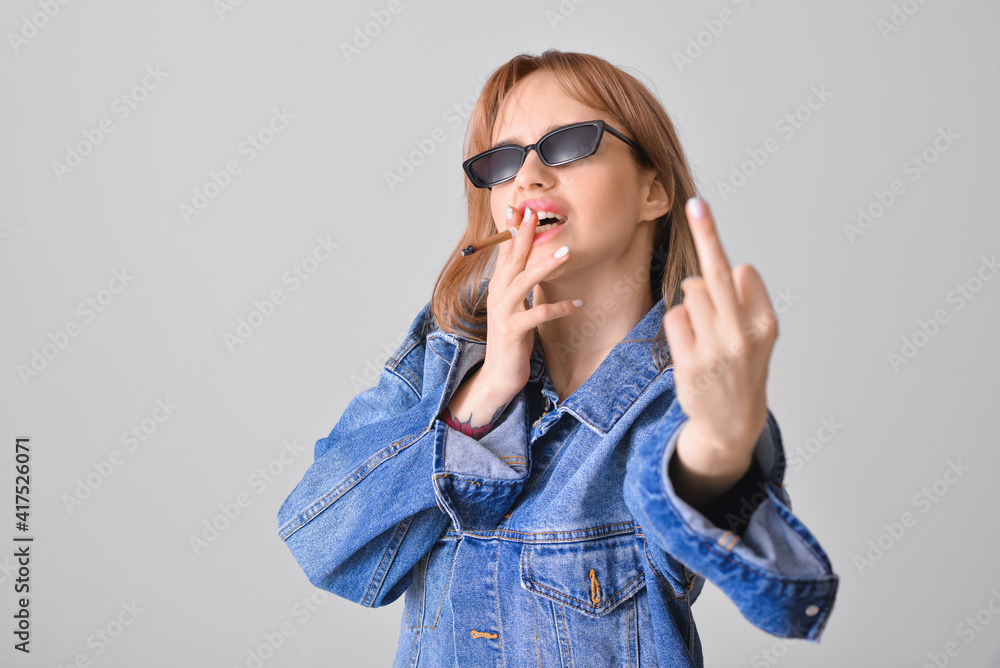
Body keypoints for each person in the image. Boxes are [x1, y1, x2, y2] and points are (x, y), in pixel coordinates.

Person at [277, 49, 838, 667]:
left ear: (654, 189)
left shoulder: (690, 392)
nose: (528, 177)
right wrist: (486, 399)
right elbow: (321, 541)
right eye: (503, 159)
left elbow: (785, 600)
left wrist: (716, 458)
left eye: (568, 143)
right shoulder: (439, 367)